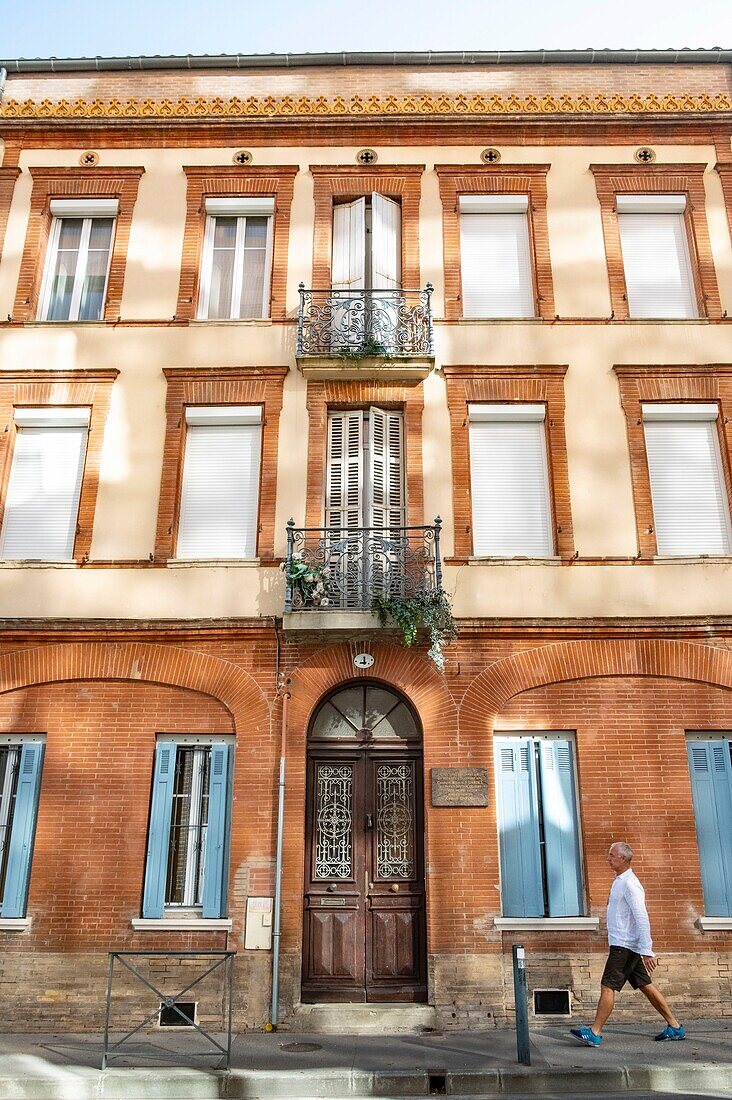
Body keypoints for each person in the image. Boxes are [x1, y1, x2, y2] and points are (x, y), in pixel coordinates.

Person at [570, 841, 685, 1046]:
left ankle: (595, 1032)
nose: (609, 858)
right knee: (646, 985)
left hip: (624, 945)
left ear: (623, 858)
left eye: (612, 855)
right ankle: (675, 1027)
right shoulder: (620, 881)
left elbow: (642, 916)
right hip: (625, 944)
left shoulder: (631, 884)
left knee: (607, 986)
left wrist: (647, 950)